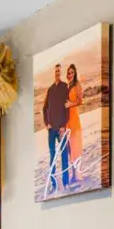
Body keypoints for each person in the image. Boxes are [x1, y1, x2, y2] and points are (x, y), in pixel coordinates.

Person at [42, 63, 71, 193]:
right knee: (52, 156)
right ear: (53, 74)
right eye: (56, 71)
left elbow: (67, 108)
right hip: (51, 129)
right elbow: (44, 108)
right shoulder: (50, 90)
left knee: (64, 155)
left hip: (61, 129)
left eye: (59, 71)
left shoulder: (65, 87)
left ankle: (66, 182)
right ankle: (53, 183)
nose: (57, 73)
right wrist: (46, 123)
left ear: (61, 72)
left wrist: (63, 126)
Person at [64, 63, 83, 186]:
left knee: (75, 145)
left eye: (72, 73)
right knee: (69, 148)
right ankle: (73, 173)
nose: (70, 75)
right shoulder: (66, 86)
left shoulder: (77, 85)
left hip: (74, 118)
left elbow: (80, 101)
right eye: (69, 73)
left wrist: (70, 104)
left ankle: (77, 174)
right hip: (66, 120)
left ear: (75, 74)